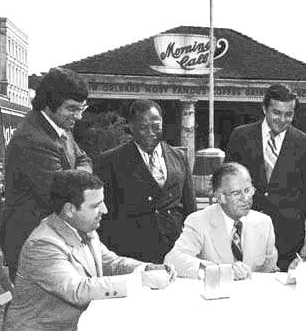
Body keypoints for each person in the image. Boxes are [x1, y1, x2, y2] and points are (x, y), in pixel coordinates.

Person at [2, 170, 176, 331]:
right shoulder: (42, 245)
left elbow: (111, 263)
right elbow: (77, 289)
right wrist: (141, 280)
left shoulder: (84, 228)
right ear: (70, 209)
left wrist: (147, 268)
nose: (105, 210)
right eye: (95, 205)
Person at [0, 67, 93, 279]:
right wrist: (80, 179)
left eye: (82, 108)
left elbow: (84, 159)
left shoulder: (59, 126)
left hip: (52, 235)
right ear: (48, 103)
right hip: (31, 240)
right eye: (72, 109)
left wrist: (77, 176)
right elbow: (64, 195)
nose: (78, 116)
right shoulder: (33, 139)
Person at [225, 84, 306, 271]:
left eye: (289, 114)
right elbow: (228, 182)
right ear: (264, 109)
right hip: (246, 231)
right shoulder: (241, 136)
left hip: (288, 239)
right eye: (276, 113)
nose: (282, 120)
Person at [94, 99, 196, 264]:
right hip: (132, 251)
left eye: (155, 126)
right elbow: (105, 215)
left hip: (175, 249)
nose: (150, 132)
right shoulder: (110, 161)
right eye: (143, 127)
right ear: (131, 127)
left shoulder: (179, 157)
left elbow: (190, 207)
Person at [165, 163, 278, 280]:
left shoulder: (264, 222)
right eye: (236, 193)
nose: (246, 198)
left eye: (248, 190)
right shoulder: (199, 221)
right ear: (219, 197)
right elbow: (173, 259)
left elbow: (270, 271)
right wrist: (219, 270)